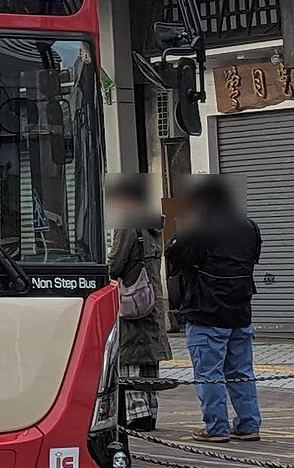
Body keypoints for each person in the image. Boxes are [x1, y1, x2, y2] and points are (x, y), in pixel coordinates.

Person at [165, 177, 263, 443]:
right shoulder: (249, 227)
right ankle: (249, 424)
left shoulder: (200, 228)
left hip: (206, 311)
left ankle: (216, 428)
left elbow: (174, 253)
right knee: (242, 372)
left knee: (209, 374)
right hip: (240, 312)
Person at [106, 178, 169, 431]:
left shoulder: (127, 225)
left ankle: (136, 415)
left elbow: (115, 264)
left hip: (132, 301)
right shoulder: (154, 226)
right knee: (148, 362)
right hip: (152, 300)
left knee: (130, 358)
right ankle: (150, 413)